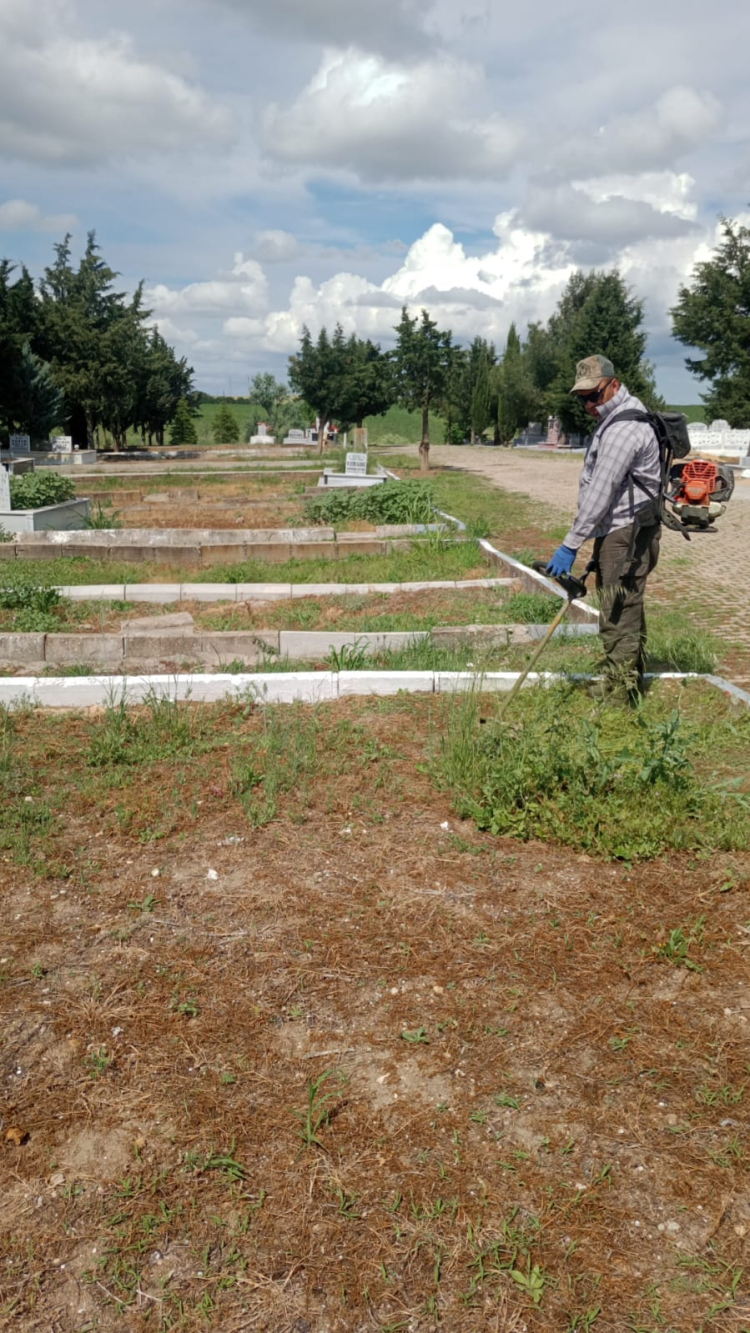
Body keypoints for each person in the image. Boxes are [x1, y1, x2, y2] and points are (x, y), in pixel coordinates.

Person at [546, 354, 662, 703]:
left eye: (594, 396)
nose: (589, 405)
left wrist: (571, 544)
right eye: (582, 399)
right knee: (625, 606)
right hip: (622, 529)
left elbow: (601, 491)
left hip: (625, 533)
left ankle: (619, 696)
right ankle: (627, 682)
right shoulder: (619, 417)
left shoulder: (624, 429)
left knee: (618, 611)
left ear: (613, 384)